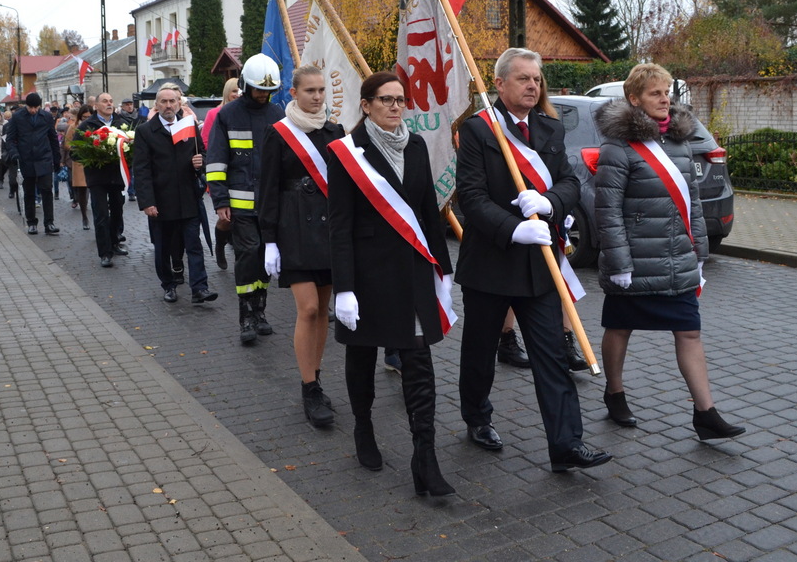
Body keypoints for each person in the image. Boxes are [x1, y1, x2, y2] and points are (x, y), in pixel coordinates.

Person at [455, 48, 611, 473]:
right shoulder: (478, 129)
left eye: (536, 79)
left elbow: (570, 183)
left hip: (539, 265)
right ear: (499, 84)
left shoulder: (549, 127)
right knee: (479, 351)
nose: (532, 86)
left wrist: (549, 202)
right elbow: (471, 196)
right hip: (491, 263)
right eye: (523, 78)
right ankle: (477, 417)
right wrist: (513, 228)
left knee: (551, 355)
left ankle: (566, 444)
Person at [594, 62, 745, 441]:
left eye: (667, 93)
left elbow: (692, 203)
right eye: (655, 94)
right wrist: (619, 262)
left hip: (677, 258)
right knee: (620, 327)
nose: (665, 100)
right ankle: (614, 393)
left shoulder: (680, 141)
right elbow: (607, 210)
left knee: (689, 332)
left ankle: (706, 413)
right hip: (635, 260)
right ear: (634, 99)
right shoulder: (617, 146)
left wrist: (699, 251)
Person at [328, 71, 457, 497]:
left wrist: (443, 271)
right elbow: (340, 226)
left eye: (401, 100)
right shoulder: (347, 152)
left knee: (419, 361)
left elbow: (428, 213)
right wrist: (344, 288)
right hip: (367, 275)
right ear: (366, 105)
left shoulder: (415, 145)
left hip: (413, 271)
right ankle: (363, 426)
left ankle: (426, 457)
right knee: (363, 355)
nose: (396, 106)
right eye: (386, 99)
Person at [259, 66, 345, 428]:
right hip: (293, 229)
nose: (317, 96)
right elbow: (267, 188)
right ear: (293, 93)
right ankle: (308, 387)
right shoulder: (278, 133)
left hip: (327, 230)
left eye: (321, 90)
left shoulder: (335, 131)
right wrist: (269, 240)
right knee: (308, 308)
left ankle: (316, 377)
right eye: (310, 90)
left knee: (323, 309)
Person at [205, 55, 286, 344]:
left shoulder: (278, 114)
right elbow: (216, 161)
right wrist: (220, 201)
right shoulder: (227, 115)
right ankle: (246, 317)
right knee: (248, 254)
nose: (263, 94)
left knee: (265, 258)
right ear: (245, 85)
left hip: (269, 204)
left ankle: (260, 310)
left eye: (268, 90)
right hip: (239, 205)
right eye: (258, 89)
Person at [132, 84, 218, 304]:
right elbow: (141, 170)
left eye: (172, 101)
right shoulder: (145, 131)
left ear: (179, 104)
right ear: (156, 105)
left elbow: (202, 153)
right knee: (163, 248)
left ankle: (200, 288)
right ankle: (168, 285)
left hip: (188, 197)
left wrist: (201, 162)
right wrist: (147, 202)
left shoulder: (189, 126)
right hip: (161, 201)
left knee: (194, 245)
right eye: (164, 101)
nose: (168, 105)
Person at [74, 92, 133, 267]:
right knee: (101, 214)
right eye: (105, 101)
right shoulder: (87, 125)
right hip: (97, 177)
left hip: (116, 176)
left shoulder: (122, 123)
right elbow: (75, 152)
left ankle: (114, 243)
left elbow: (132, 146)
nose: (109, 104)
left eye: (111, 101)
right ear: (96, 106)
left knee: (117, 211)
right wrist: (93, 154)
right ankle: (105, 253)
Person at [5, 92, 61, 236]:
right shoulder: (17, 117)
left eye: (36, 107)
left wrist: (57, 158)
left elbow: (53, 138)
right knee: (29, 192)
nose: (33, 110)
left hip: (44, 158)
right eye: (31, 107)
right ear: (26, 106)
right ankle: (31, 223)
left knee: (47, 191)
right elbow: (10, 139)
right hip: (26, 159)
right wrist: (14, 153)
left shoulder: (46, 117)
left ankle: (49, 223)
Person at [203, 77, 240, 269]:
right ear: (227, 92)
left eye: (240, 91)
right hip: (222, 173)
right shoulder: (215, 114)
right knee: (226, 218)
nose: (237, 94)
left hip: (242, 174)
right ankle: (220, 244)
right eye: (233, 91)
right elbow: (207, 142)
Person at [63, 105, 92, 230]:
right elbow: (67, 144)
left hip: (93, 160)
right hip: (79, 160)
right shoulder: (73, 127)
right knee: (82, 189)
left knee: (93, 188)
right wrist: (78, 147)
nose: (86, 119)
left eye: (89, 117)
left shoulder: (95, 125)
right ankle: (84, 216)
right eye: (84, 117)